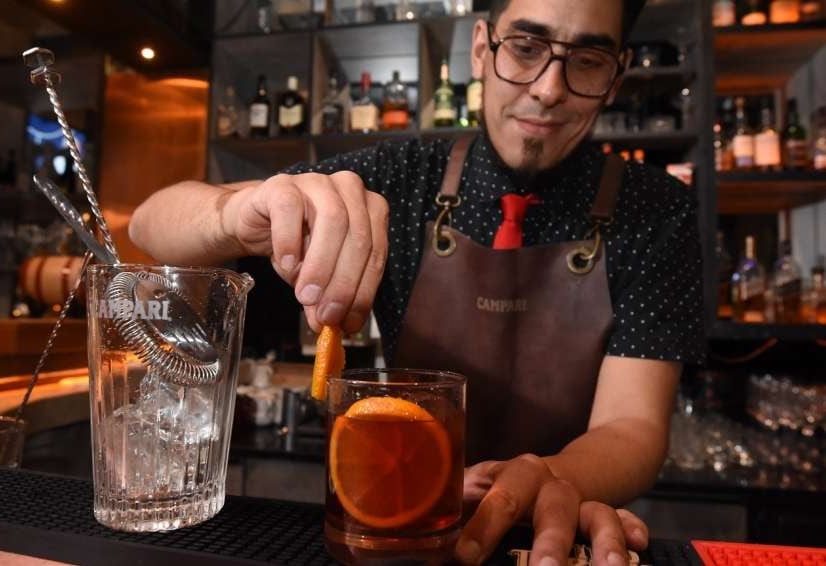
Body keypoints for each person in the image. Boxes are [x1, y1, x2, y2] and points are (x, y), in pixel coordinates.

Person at [129, 0, 705, 563]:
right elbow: (153, 223)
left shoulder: (657, 210)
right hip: (401, 524)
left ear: (616, 74)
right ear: (482, 47)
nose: (549, 89)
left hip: (562, 523)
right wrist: (243, 211)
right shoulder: (402, 177)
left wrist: (548, 475)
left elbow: (632, 424)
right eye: (526, 48)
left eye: (586, 60)